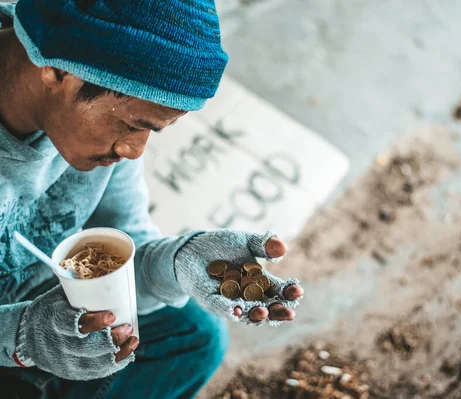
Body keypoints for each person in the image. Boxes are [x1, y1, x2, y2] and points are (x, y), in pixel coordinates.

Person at [0, 1, 304, 398]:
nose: (134, 151)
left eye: (152, 132)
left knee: (191, 338)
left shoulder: (100, 114)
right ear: (58, 70)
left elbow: (126, 245)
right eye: (131, 125)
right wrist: (22, 337)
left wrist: (176, 263)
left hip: (51, 303)